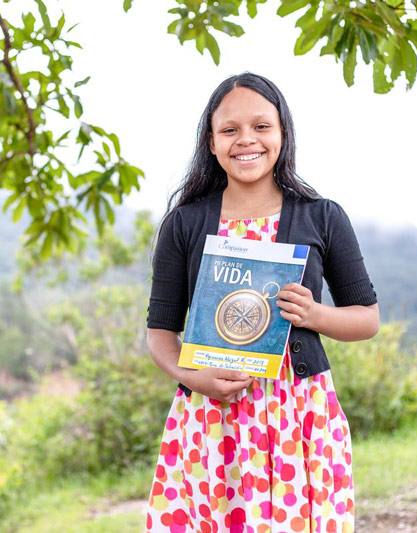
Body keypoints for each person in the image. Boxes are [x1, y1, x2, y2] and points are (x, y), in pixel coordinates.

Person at [145, 73, 380, 533]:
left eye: (261, 127)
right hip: (211, 419)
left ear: (282, 134)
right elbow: (159, 332)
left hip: (301, 415)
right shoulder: (184, 224)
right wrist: (194, 378)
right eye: (229, 130)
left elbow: (367, 319)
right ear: (210, 143)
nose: (245, 140)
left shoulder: (322, 216)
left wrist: (315, 315)